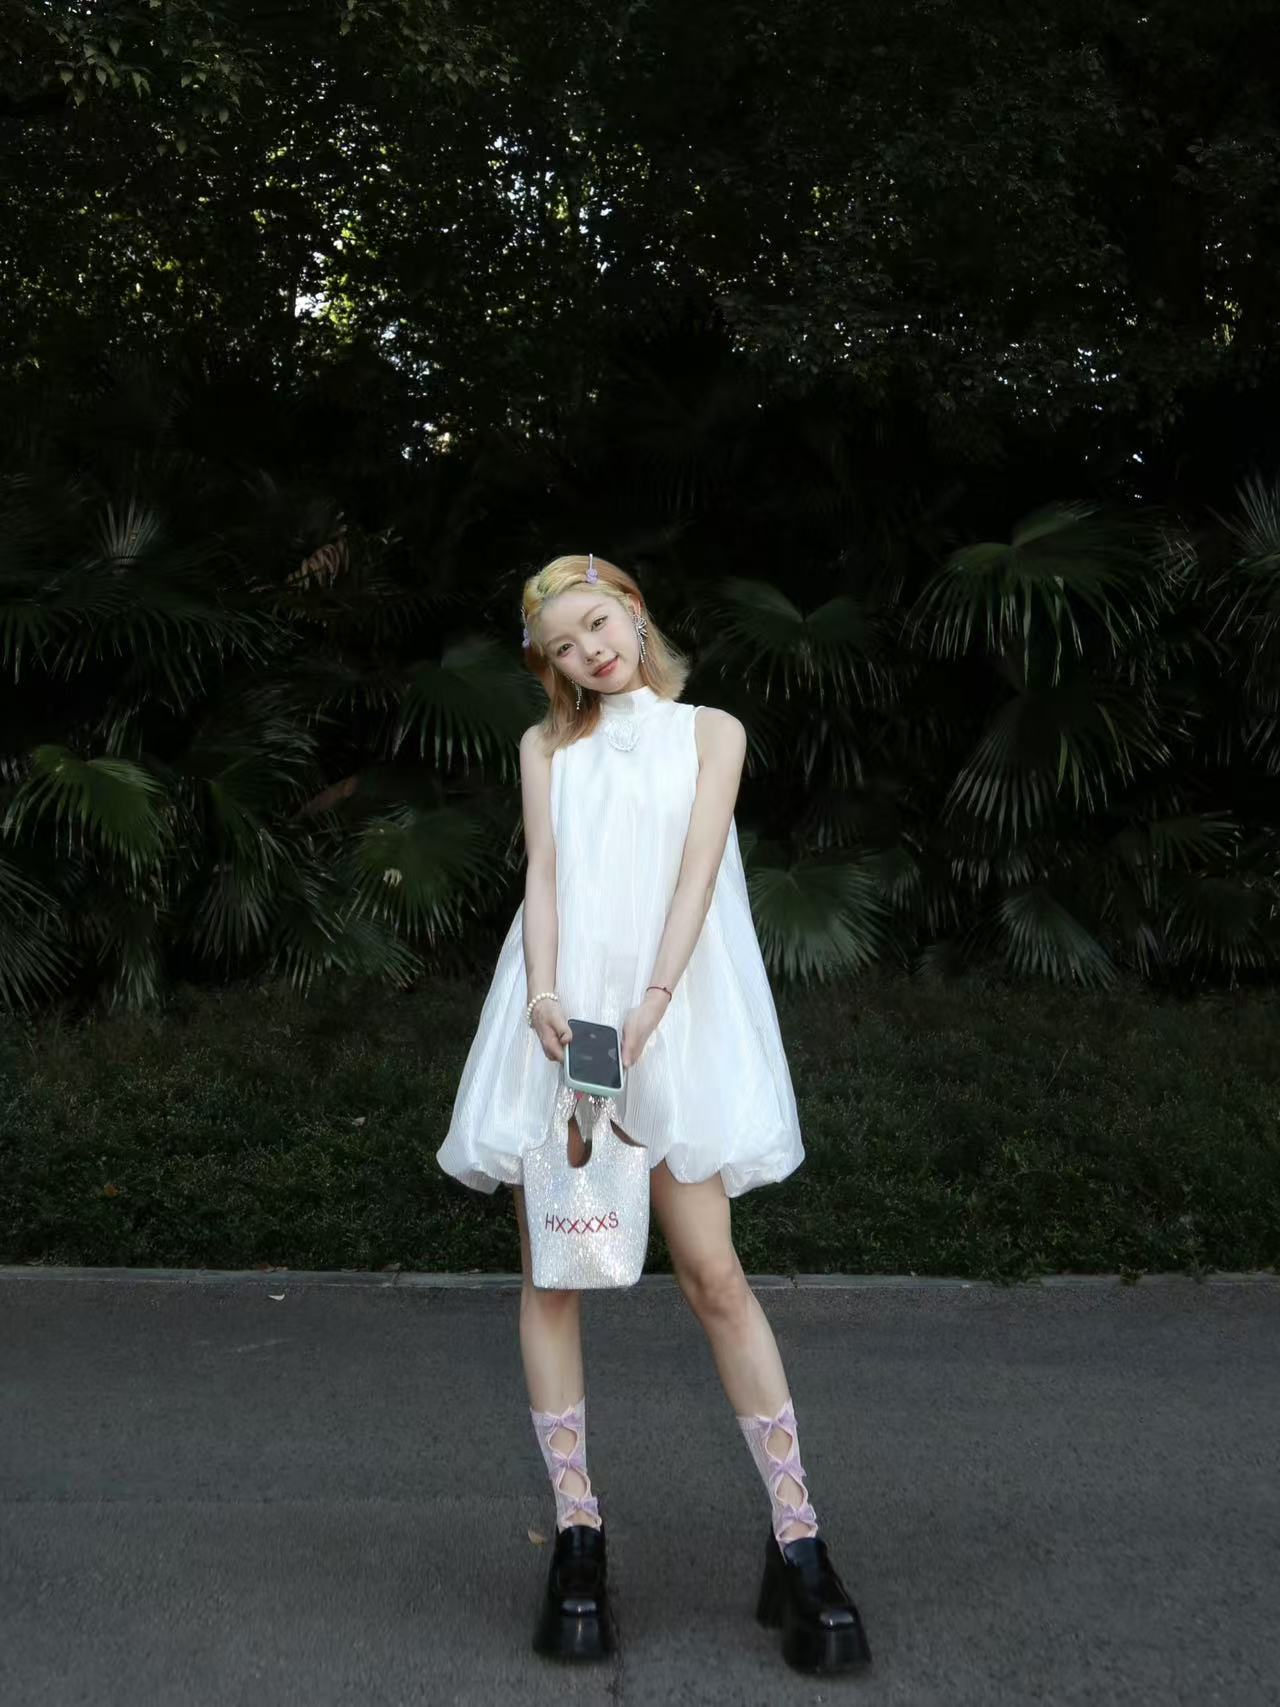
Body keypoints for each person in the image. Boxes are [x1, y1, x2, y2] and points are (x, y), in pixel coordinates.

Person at [435, 552, 872, 1675]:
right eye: (564, 645)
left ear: (631, 610)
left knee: (713, 1273)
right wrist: (544, 997)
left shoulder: (710, 732)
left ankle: (798, 1539)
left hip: (669, 1017)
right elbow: (543, 875)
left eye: (599, 623)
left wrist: (657, 1002)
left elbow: (696, 873)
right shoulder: (544, 749)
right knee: (553, 1271)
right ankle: (577, 1534)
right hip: (564, 1019)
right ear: (548, 665)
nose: (590, 650)